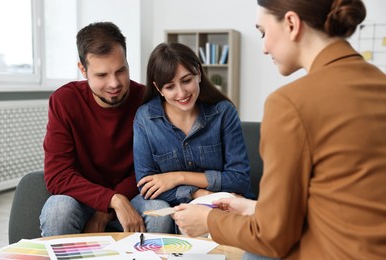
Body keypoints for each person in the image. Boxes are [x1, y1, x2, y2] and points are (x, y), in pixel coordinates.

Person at [172, 0, 386, 259]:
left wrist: (208, 220)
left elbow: (271, 237)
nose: (263, 48)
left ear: (292, 24)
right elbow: (345, 200)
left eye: (263, 32)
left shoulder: (290, 103)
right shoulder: (378, 83)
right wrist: (255, 207)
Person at [40, 21, 173, 236]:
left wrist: (105, 211)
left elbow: (151, 168)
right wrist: (112, 200)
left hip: (133, 196)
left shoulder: (147, 100)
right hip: (82, 198)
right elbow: (58, 175)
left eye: (121, 71)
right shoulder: (64, 101)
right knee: (58, 210)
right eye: (102, 75)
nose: (114, 83)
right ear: (83, 70)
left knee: (159, 211)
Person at [133, 42, 255, 211]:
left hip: (226, 203)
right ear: (158, 88)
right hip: (178, 209)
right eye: (170, 87)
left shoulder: (223, 112)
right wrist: (197, 194)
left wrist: (178, 177)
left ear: (198, 73)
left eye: (186, 80)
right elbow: (147, 186)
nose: (182, 93)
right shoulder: (145, 118)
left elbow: (239, 179)